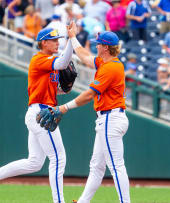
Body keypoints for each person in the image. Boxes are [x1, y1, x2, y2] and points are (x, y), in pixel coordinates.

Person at [0, 27, 74, 203]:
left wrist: (66, 88)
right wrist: (72, 39)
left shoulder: (49, 63)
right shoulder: (39, 59)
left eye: (59, 39)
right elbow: (63, 63)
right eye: (54, 40)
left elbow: (55, 90)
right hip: (40, 113)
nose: (58, 42)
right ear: (44, 42)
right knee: (58, 158)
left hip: (41, 111)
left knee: (34, 162)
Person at [49, 23, 130, 203]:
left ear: (106, 47)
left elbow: (89, 94)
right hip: (108, 118)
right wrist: (72, 37)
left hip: (111, 118)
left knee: (116, 166)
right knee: (96, 167)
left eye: (99, 44)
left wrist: (64, 107)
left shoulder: (111, 68)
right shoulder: (106, 62)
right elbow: (85, 57)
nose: (96, 45)